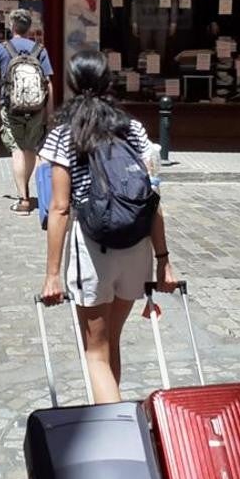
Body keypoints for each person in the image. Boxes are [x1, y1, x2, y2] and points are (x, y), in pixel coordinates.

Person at [38, 50, 178, 404]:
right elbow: (154, 195)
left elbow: (59, 208)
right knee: (111, 342)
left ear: (72, 84)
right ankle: (113, 415)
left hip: (95, 248)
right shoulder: (134, 129)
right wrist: (164, 260)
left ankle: (117, 436)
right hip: (136, 247)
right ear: (107, 82)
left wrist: (52, 274)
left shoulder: (64, 134)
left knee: (94, 352)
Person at [0, 9, 54, 216]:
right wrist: (49, 111)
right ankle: (26, 188)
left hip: (11, 106)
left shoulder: (1, 49)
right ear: (29, 28)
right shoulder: (40, 49)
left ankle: (23, 198)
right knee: (30, 148)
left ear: (12, 26)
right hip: (36, 107)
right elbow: (48, 83)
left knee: (16, 150)